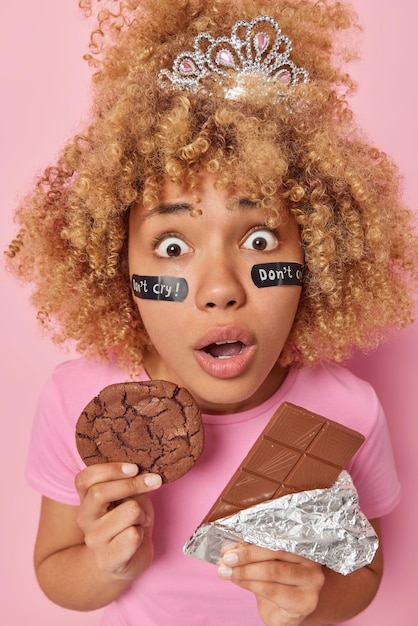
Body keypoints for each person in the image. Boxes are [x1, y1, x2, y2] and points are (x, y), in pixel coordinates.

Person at [5, 0, 418, 624]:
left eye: (259, 241)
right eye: (173, 247)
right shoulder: (79, 400)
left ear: (319, 256)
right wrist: (106, 564)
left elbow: (366, 569)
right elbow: (54, 573)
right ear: (120, 269)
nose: (220, 289)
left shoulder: (348, 410)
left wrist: (319, 599)